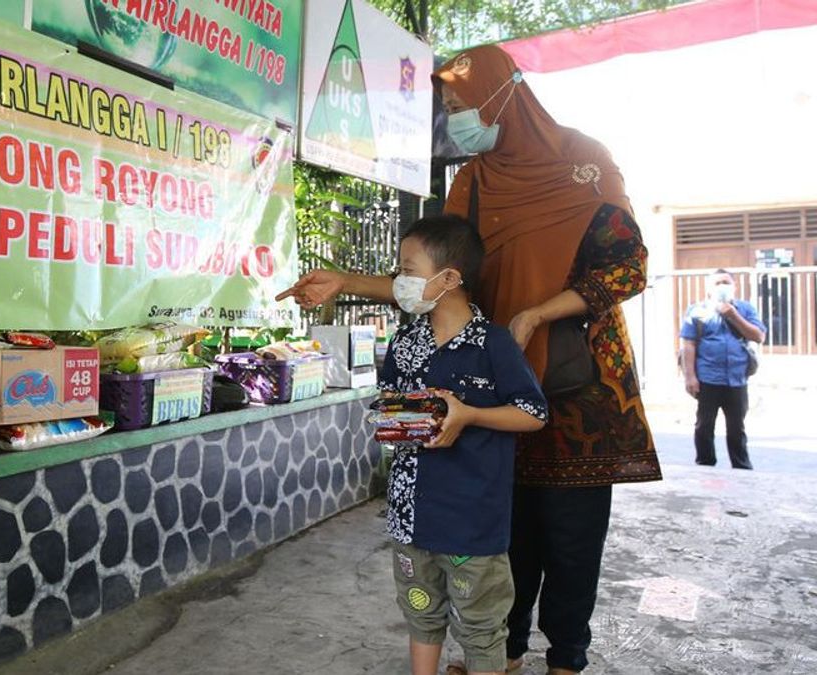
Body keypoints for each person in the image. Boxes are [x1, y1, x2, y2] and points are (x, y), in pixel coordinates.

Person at [277, 44, 661, 674]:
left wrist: (539, 313)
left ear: (501, 94)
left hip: (577, 387)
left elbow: (629, 266)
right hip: (487, 382)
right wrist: (345, 281)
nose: (457, 120)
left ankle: (567, 657)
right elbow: (439, 273)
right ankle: (502, 653)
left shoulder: (584, 161)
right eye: (450, 107)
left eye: (460, 105)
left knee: (572, 538)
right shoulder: (474, 179)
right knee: (504, 531)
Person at [379, 215, 548, 675]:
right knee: (421, 614)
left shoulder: (493, 344)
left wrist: (469, 414)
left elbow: (533, 414)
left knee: (480, 624)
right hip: (410, 515)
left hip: (473, 520)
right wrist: (401, 418)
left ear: (449, 278)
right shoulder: (404, 342)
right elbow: (390, 409)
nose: (400, 282)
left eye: (408, 270)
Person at [679, 269, 766, 470]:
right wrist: (689, 376)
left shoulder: (745, 309)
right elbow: (688, 344)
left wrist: (733, 315)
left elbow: (758, 336)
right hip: (708, 378)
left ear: (734, 286)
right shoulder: (697, 311)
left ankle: (741, 466)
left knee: (737, 428)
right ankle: (705, 464)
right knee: (704, 426)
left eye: (726, 282)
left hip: (736, 379)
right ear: (709, 288)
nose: (722, 286)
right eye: (717, 283)